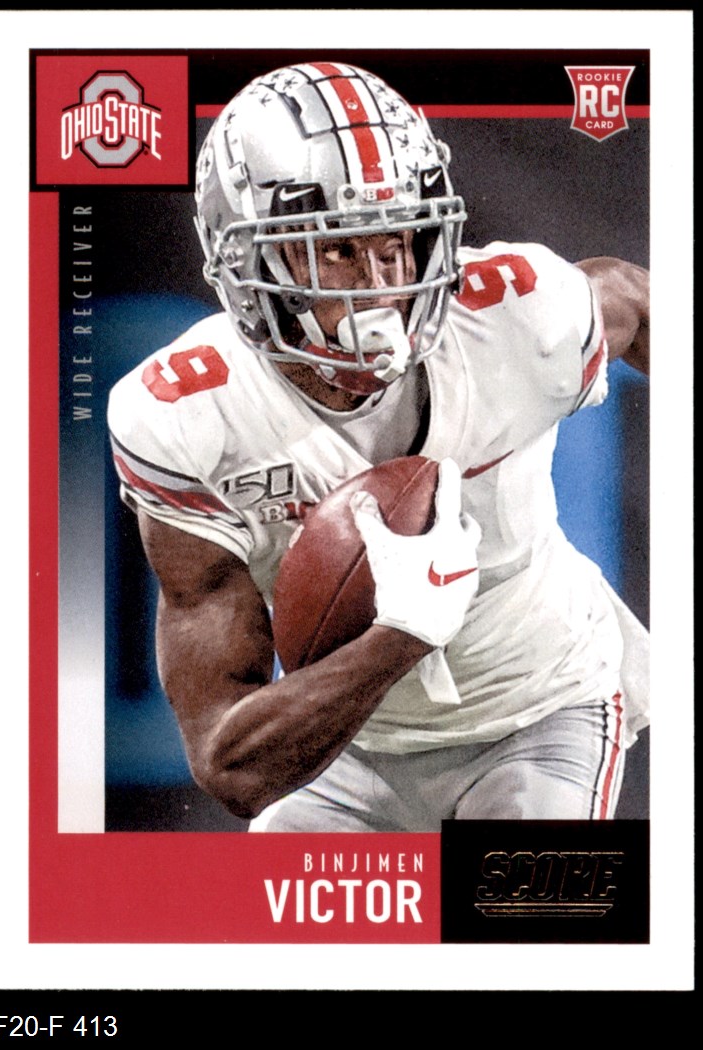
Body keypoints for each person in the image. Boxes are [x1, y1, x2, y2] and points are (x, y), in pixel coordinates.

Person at [107, 61, 650, 832]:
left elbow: (629, 299)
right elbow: (232, 764)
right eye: (336, 251)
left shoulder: (511, 315)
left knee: (516, 902)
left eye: (397, 241)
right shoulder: (189, 415)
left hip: (540, 705)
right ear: (246, 261)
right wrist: (402, 633)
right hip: (341, 747)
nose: (381, 288)